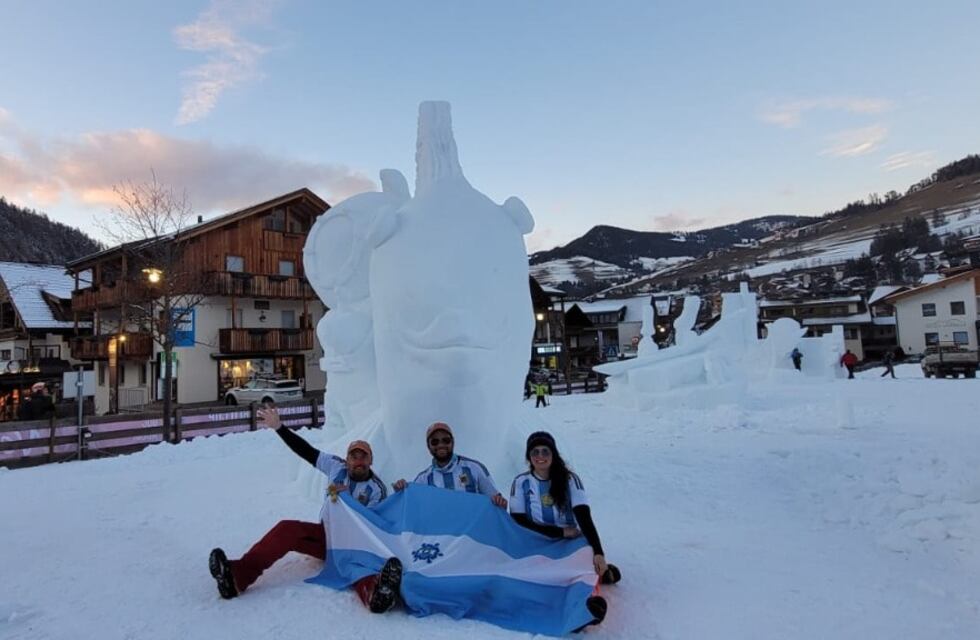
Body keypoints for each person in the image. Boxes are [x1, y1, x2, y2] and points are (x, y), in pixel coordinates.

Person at [208, 406, 402, 612]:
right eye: (354, 457)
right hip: (327, 538)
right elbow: (306, 451)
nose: (358, 461)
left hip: (355, 546)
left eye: (363, 457)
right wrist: (279, 428)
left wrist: (348, 502)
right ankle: (237, 576)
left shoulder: (377, 489)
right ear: (347, 460)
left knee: (354, 567)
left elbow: (372, 526)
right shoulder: (336, 467)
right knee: (286, 530)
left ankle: (376, 593)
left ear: (371, 461)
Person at [509, 431, 620, 628]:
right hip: (537, 540)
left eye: (546, 451)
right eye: (535, 452)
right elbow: (519, 521)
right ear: (528, 457)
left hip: (571, 541)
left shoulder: (570, 480)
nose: (540, 456)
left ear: (554, 454)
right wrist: (558, 533)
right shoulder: (521, 483)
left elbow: (583, 516)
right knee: (536, 572)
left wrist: (598, 552)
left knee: (583, 565)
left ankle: (585, 607)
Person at [392, 422, 508, 507]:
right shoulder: (423, 479)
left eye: (446, 440)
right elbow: (409, 506)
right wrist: (401, 490)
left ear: (453, 442)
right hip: (443, 539)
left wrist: (499, 502)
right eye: (434, 442)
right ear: (429, 447)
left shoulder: (474, 468)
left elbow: (497, 500)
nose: (441, 445)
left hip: (472, 537)